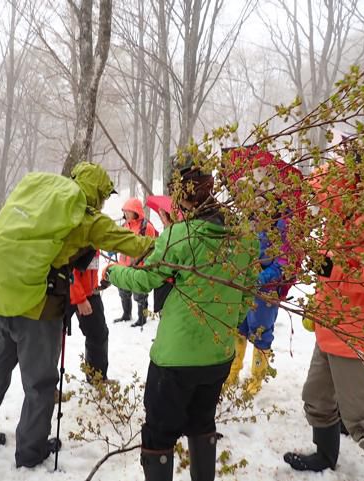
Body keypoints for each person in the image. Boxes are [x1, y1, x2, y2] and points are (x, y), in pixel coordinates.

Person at [0, 162, 155, 469]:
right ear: (97, 192)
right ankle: (31, 451)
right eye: (104, 197)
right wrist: (170, 244)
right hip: (37, 309)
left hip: (1, 295)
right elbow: (132, 243)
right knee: (40, 383)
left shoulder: (40, 192)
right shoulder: (85, 217)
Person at [106, 166, 257, 481]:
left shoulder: (180, 235)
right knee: (203, 424)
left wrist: (112, 272)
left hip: (175, 359)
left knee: (159, 433)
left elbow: (146, 279)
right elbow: (247, 295)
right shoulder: (243, 238)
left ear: (180, 197)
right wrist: (226, 325)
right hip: (218, 354)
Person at [283, 162, 364, 481]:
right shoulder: (337, 225)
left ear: (336, 192)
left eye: (319, 193)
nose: (316, 202)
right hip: (329, 331)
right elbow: (333, 275)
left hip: (359, 337)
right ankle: (325, 456)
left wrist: (335, 270)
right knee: (317, 399)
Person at [223, 147, 303, 395]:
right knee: (240, 328)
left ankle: (257, 377)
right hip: (243, 287)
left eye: (257, 191)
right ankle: (233, 371)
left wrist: (258, 278)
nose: (252, 197)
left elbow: (285, 261)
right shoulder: (247, 218)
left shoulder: (284, 222)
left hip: (265, 290)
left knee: (260, 332)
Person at [67, 249, 111, 382]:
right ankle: (46, 390)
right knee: (52, 340)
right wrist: (79, 298)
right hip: (69, 293)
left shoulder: (94, 239)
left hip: (90, 293)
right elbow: (68, 270)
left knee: (99, 334)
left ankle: (97, 377)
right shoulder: (79, 236)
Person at [113, 198, 158, 327]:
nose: (126, 214)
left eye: (129, 211)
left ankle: (142, 318)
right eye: (125, 211)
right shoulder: (124, 226)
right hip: (124, 265)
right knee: (123, 292)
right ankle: (126, 314)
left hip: (140, 266)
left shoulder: (146, 227)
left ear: (136, 211)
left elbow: (152, 247)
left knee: (140, 294)